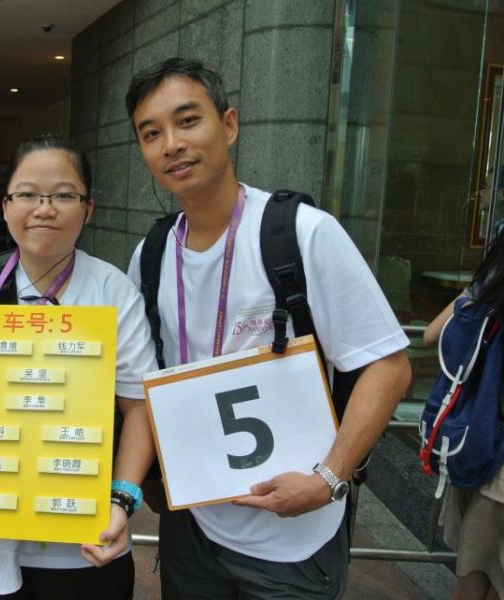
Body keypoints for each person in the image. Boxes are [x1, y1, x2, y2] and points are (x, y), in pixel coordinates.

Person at [124, 57, 412, 599]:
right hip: (193, 525)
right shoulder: (152, 254)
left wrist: (329, 479)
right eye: (151, 133)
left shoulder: (302, 233)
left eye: (188, 121)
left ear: (229, 124)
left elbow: (389, 367)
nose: (172, 145)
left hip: (295, 538)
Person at [0, 134, 158, 599]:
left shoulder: (113, 290)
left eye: (63, 195)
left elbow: (138, 407)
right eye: (28, 194)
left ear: (88, 208)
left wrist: (122, 499)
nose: (44, 209)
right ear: (6, 206)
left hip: (83, 544)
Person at [424, 240, 504, 600]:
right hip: (496, 473)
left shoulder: (488, 286)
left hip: (477, 445)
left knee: (478, 573)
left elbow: (431, 333)